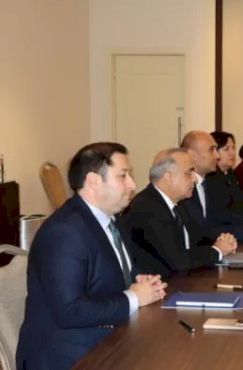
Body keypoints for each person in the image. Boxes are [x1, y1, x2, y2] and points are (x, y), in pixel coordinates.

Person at [16, 142, 167, 369]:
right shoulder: (64, 232)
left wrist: (139, 281)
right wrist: (134, 297)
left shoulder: (111, 219)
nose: (132, 184)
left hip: (108, 340)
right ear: (94, 181)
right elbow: (69, 311)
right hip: (68, 356)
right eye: (123, 175)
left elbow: (113, 274)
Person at [120, 148, 237, 279]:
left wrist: (222, 240)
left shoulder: (178, 203)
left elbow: (199, 235)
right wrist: (217, 250)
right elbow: (178, 261)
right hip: (165, 284)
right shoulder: (147, 209)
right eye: (189, 173)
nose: (194, 179)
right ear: (168, 176)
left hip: (184, 280)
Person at [179, 130, 243, 240]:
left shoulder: (206, 182)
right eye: (212, 150)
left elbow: (222, 215)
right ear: (192, 154)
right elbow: (202, 231)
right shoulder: (185, 188)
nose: (217, 156)